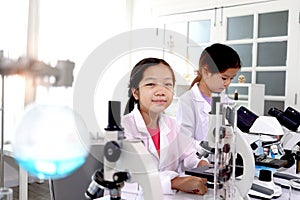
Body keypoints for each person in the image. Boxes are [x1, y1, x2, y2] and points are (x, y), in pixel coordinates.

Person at [122, 57, 209, 195]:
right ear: (136, 92)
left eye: (167, 84)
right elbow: (128, 180)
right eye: (151, 84)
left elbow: (189, 156)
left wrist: (202, 166)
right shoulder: (122, 129)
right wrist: (174, 183)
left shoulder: (173, 125)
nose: (161, 91)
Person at [176, 43, 241, 147]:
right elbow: (184, 142)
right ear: (205, 72)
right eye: (224, 78)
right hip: (198, 161)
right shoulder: (187, 101)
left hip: (223, 159)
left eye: (231, 78)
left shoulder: (228, 102)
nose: (228, 83)